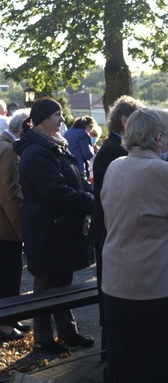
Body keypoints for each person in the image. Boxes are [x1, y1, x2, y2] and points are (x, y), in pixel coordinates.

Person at [100, 107, 168, 383]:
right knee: (157, 361)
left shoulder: (116, 165)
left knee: (125, 359)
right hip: (156, 283)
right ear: (160, 139)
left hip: (118, 278)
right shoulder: (163, 171)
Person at [14, 98, 95, 354]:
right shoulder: (37, 151)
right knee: (46, 286)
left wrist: (90, 193)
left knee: (62, 283)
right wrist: (91, 201)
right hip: (47, 228)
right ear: (43, 120)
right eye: (57, 115)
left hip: (59, 227)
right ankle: (43, 340)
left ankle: (68, 334)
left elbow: (74, 181)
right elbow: (55, 191)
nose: (62, 119)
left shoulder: (53, 145)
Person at [91, 95, 143, 354]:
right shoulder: (115, 150)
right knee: (111, 295)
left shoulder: (111, 148)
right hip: (109, 229)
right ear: (125, 120)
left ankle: (110, 354)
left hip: (107, 228)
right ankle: (112, 356)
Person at [0, 110, 29, 341]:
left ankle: (10, 317)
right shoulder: (9, 150)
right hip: (6, 226)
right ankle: (5, 324)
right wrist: (22, 229)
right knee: (8, 274)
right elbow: (10, 193)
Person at [63, 116, 96, 180]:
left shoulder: (69, 131)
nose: (90, 131)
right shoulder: (82, 133)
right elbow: (87, 154)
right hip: (79, 167)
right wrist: (93, 149)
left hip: (67, 166)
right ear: (87, 126)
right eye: (91, 128)